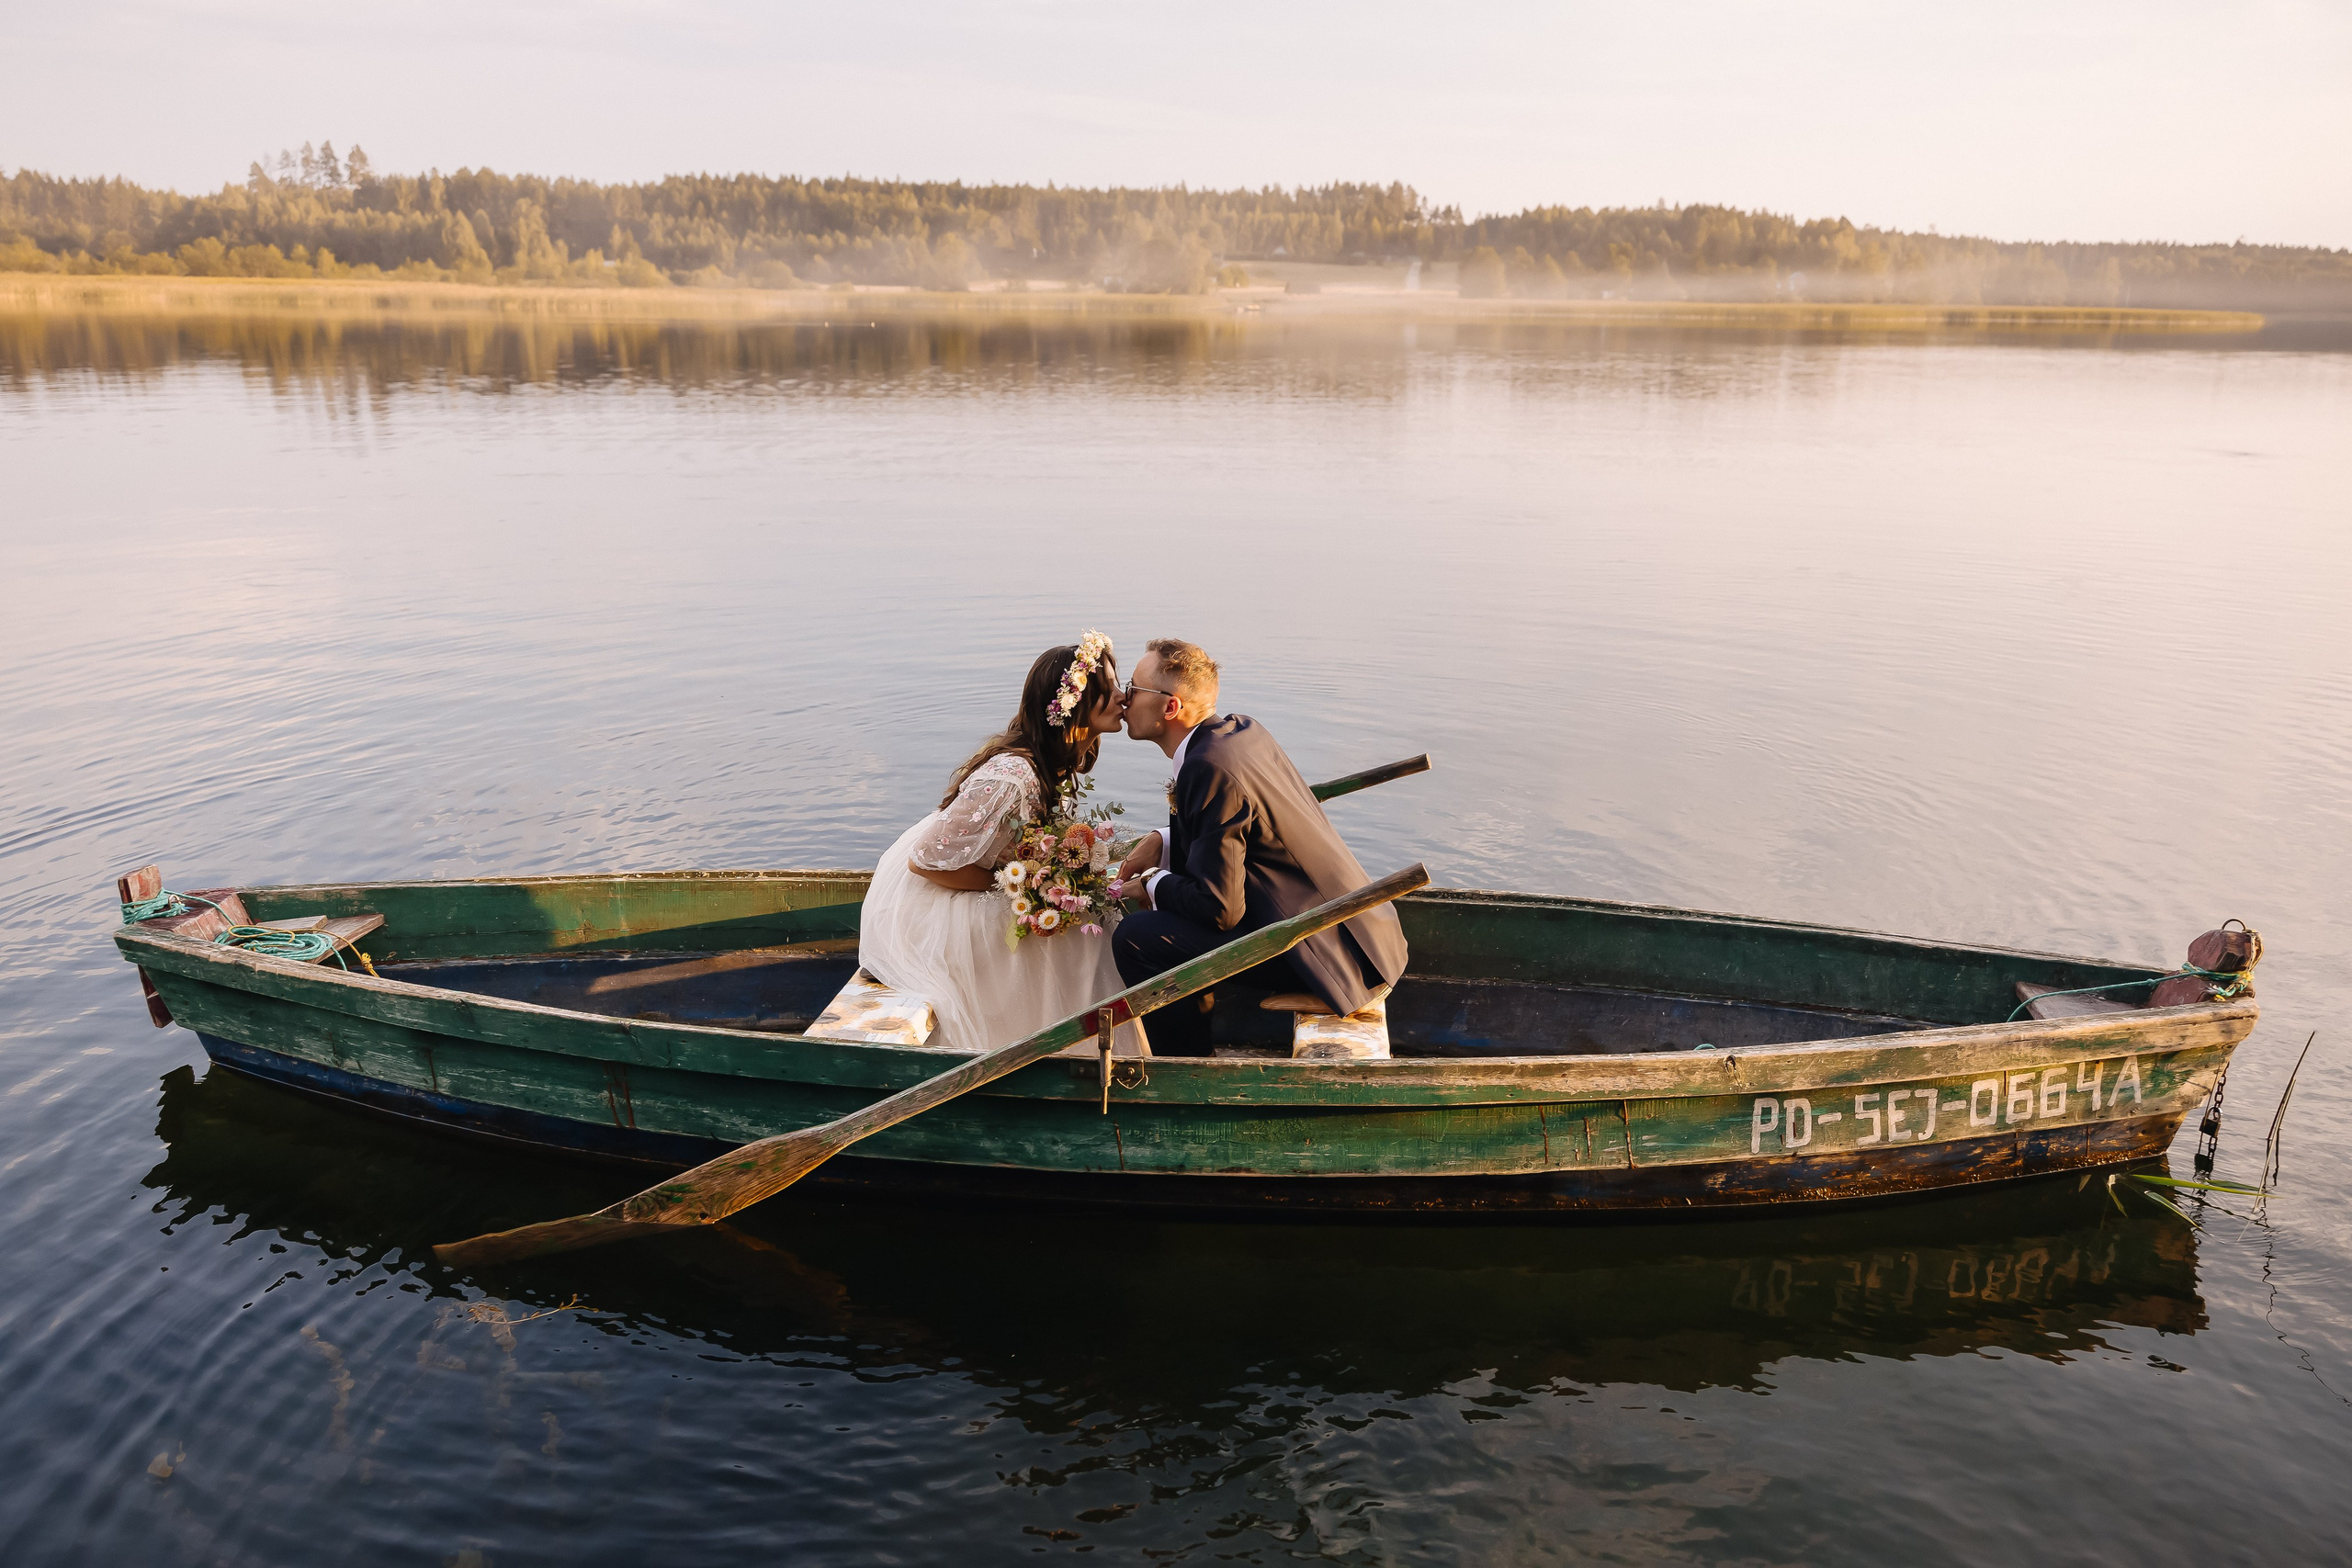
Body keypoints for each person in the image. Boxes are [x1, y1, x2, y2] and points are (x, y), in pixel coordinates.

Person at [1109, 638, 1408, 1055]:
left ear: (1169, 708)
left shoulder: (1207, 768)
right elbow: (1242, 829)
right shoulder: (1238, 732)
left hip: (1327, 959)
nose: (1123, 698)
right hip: (1365, 940)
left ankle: (1185, 1068)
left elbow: (1220, 910)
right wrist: (1164, 838)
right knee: (1173, 910)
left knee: (1137, 937)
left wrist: (1152, 883)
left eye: (1134, 688)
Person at [857, 636, 1148, 1055]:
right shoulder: (1010, 776)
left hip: (974, 878)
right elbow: (925, 862)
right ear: (1073, 706)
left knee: (1090, 915)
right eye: (1109, 688)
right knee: (1081, 935)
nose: (1122, 697)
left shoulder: (1056, 763)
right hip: (929, 905)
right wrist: (1026, 888)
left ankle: (1086, 1050)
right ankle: (1065, 1056)